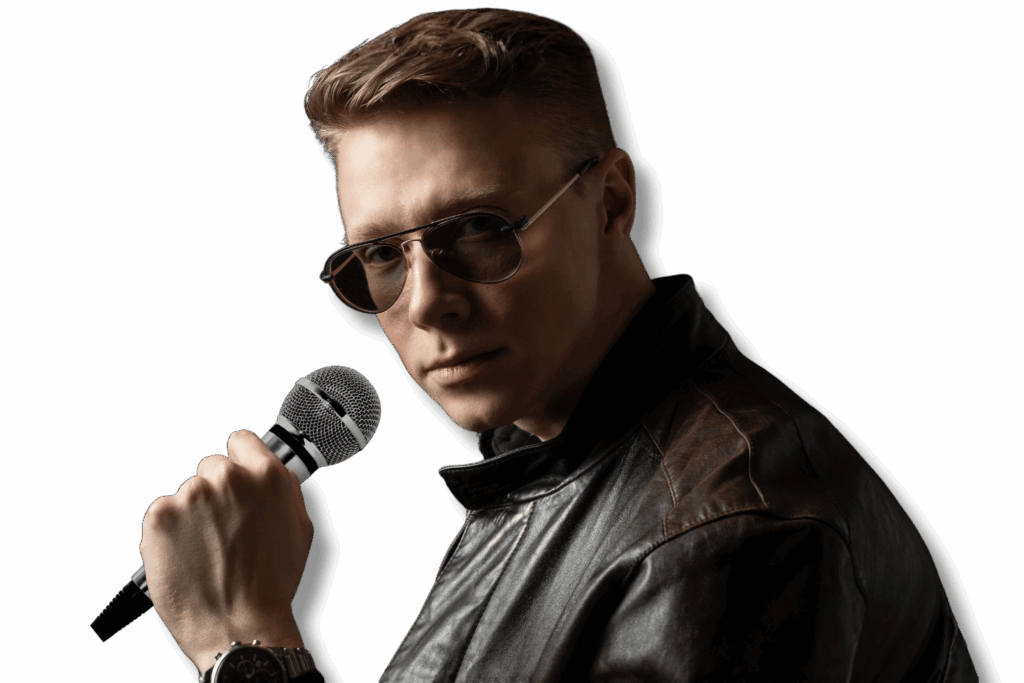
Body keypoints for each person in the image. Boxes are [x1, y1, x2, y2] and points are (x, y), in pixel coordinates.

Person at [139, 9, 980, 682]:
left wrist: (245, 645)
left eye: (478, 229)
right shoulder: (547, 454)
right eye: (383, 254)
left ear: (611, 201)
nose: (426, 302)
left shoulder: (729, 534)